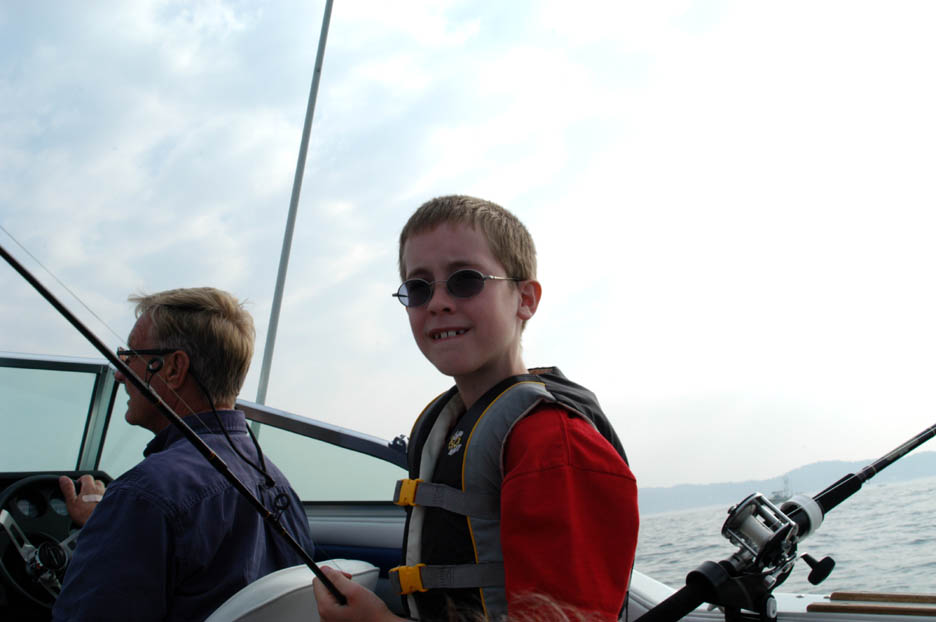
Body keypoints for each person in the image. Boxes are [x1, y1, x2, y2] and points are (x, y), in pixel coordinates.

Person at [315, 196, 638, 621]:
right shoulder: (452, 426)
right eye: (418, 287)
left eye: (465, 280)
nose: (437, 302)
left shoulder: (555, 447)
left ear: (525, 298)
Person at [52, 287, 316, 622]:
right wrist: (109, 527)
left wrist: (118, 522)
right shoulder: (279, 486)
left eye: (131, 356)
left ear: (174, 369)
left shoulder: (143, 497)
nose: (120, 373)